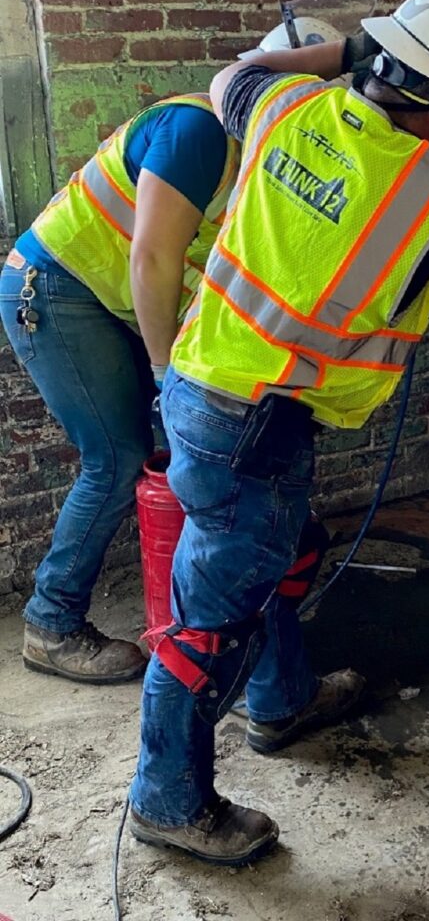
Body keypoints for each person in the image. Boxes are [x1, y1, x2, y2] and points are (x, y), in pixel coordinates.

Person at [128, 0, 429, 866]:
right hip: (254, 427)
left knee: (285, 551)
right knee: (209, 624)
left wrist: (355, 48)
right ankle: (168, 801)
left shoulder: (286, 108)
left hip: (199, 390)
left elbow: (244, 68)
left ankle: (280, 700)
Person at [0, 93, 240, 683]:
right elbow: (151, 260)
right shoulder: (198, 133)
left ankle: (189, 602)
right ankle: (50, 623)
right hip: (54, 289)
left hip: (101, 296)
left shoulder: (246, 161)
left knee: (167, 443)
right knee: (115, 457)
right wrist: (164, 375)